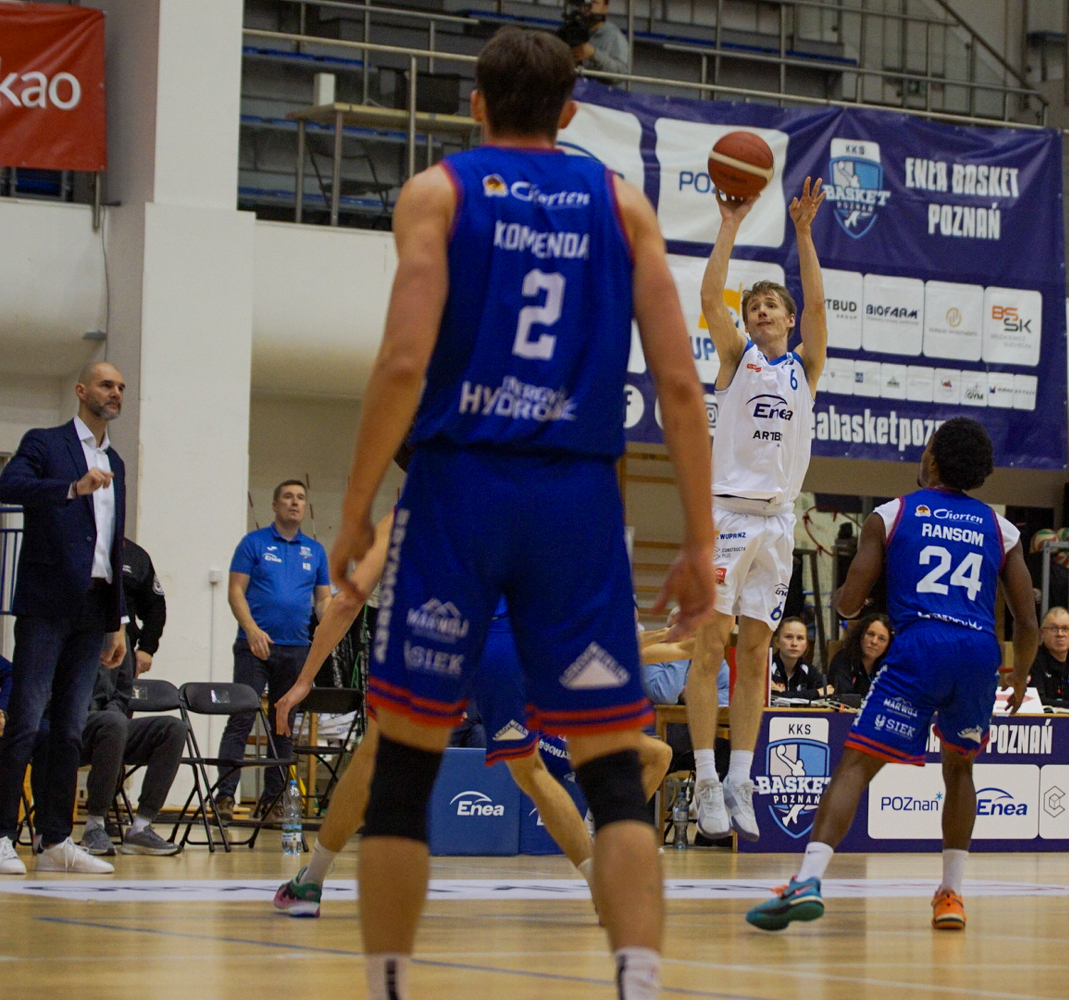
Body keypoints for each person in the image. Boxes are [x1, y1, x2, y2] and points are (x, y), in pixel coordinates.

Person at [324, 28, 713, 1000]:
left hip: (457, 489)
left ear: (475, 103)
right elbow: (677, 383)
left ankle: (387, 984)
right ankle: (637, 982)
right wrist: (700, 537)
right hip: (575, 498)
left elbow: (403, 361)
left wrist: (357, 507)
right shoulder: (622, 205)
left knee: (405, 767)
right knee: (613, 774)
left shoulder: (438, 192)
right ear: (570, 113)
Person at [271, 508, 675, 919]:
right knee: (529, 770)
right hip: (503, 643)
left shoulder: (409, 512)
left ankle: (311, 881)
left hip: (433, 636)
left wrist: (305, 679)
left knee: (374, 757)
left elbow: (346, 602)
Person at [746, 418, 1038, 933]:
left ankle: (808, 880)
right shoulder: (1002, 528)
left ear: (934, 460)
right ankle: (951, 895)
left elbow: (849, 604)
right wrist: (1021, 675)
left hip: (921, 644)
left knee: (856, 766)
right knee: (961, 771)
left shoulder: (892, 514)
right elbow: (1028, 621)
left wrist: (845, 598)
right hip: (979, 651)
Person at [685, 175, 827, 843]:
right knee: (710, 647)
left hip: (777, 523)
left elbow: (818, 305)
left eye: (773, 304)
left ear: (790, 320)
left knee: (756, 652)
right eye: (756, 305)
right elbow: (710, 297)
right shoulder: (737, 359)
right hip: (728, 518)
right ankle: (704, 779)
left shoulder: (806, 368)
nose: (763, 310)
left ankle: (740, 775)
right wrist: (730, 224)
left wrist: (803, 232)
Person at [0, 361, 129, 877]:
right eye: (106, 385)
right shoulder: (45, 442)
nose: (115, 392)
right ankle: (2, 834)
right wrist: (72, 487)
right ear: (81, 390)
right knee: (26, 720)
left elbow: (111, 544)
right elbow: (9, 485)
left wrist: (117, 619)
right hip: (46, 603)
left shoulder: (115, 460)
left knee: (71, 729)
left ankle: (54, 839)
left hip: (94, 607)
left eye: (121, 387)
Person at [213, 480, 330, 817]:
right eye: (288, 497)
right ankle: (224, 797)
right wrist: (251, 630)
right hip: (255, 647)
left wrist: (330, 629)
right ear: (275, 505)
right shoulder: (254, 543)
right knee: (241, 718)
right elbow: (236, 591)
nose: (295, 502)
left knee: (283, 723)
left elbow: (323, 600)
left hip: (296, 649)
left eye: (301, 498)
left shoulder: (315, 551)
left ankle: (273, 801)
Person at [65, 537, 183, 856]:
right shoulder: (63, 635)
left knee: (173, 728)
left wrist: (145, 647)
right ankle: (94, 827)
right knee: (113, 723)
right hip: (70, 730)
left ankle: (141, 827)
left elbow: (122, 693)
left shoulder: (121, 640)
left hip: (107, 729)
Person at [826, 613, 891, 698]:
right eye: (870, 634)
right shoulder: (843, 659)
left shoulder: (887, 666)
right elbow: (846, 697)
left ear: (887, 646)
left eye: (881, 639)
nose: (874, 641)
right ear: (861, 636)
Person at [770, 616, 828, 699]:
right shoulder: (766, 667)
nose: (794, 643)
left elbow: (828, 692)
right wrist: (816, 693)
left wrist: (783, 693)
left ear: (806, 644)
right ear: (777, 641)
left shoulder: (808, 669)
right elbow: (772, 696)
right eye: (789, 637)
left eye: (800, 638)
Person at [568, 0, 629, 76]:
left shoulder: (614, 36)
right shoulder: (573, 30)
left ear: (605, 8)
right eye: (586, 2)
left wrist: (593, 54)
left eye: (594, 2)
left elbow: (621, 72)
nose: (589, 6)